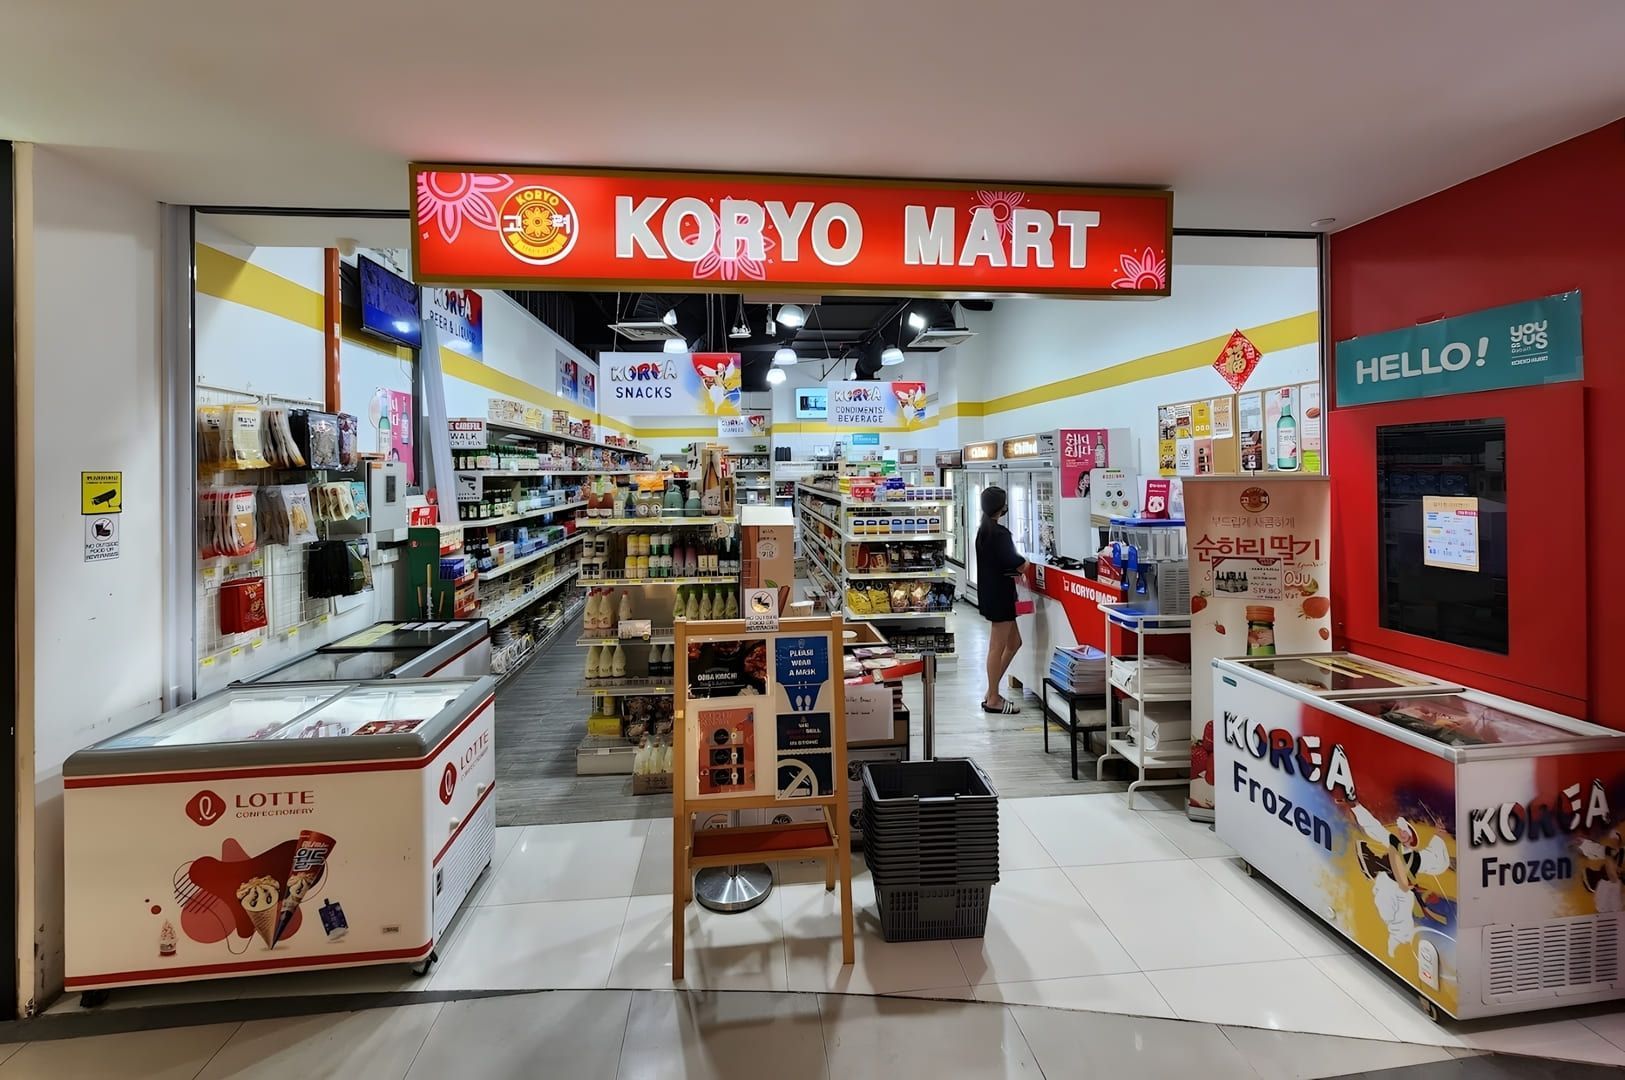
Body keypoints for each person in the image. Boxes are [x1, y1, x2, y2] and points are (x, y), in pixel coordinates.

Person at [975, 485, 1027, 714]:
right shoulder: (1000, 534)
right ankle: (993, 698)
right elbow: (1016, 563)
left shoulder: (983, 532)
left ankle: (991, 690)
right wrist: (1027, 564)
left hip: (990, 592)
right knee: (997, 647)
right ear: (1001, 507)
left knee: (1014, 643)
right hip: (1001, 595)